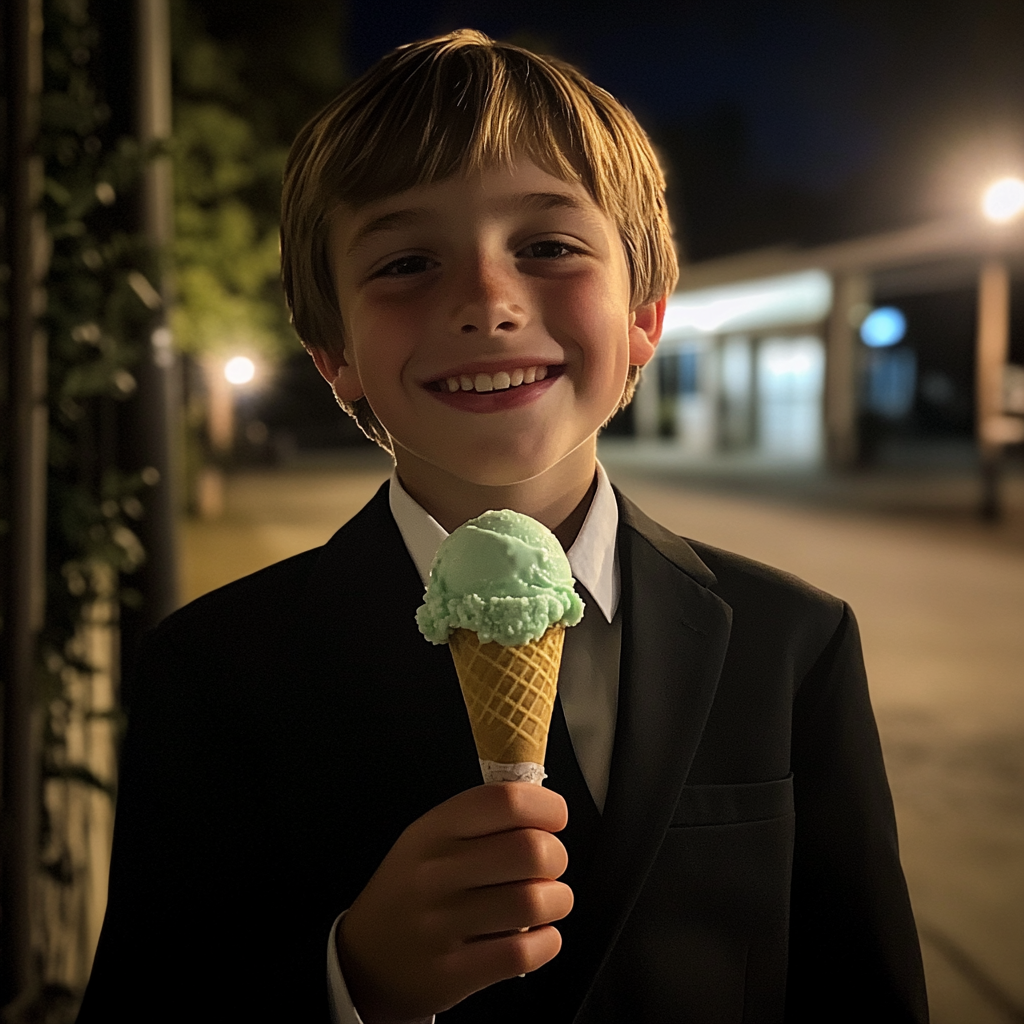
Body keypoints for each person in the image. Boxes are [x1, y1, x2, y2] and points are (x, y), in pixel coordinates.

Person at [78, 30, 929, 1024]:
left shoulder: (793, 641)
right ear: (334, 356)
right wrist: (353, 983)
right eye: (404, 260)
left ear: (645, 316)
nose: (486, 299)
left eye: (548, 246)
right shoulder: (209, 672)